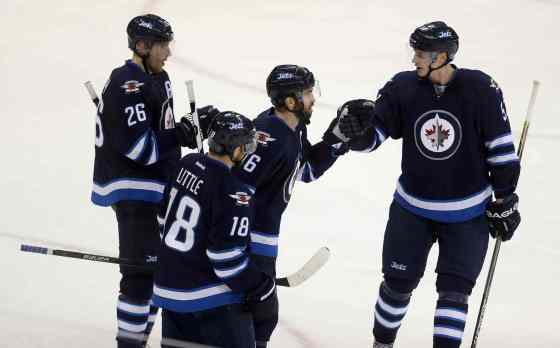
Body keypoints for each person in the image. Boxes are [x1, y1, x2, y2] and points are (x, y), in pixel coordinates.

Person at [331, 22, 521, 348]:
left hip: (467, 214)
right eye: (414, 51)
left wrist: (505, 198)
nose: (414, 58)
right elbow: (373, 137)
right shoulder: (402, 87)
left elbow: (501, 151)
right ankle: (382, 344)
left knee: (454, 292)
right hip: (412, 210)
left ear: (442, 56)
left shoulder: (481, 90)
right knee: (396, 284)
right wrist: (354, 133)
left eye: (421, 53)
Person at [90, 14, 204, 348]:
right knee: (140, 276)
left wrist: (184, 129)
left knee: (155, 273)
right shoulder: (129, 83)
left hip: (155, 186)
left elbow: (161, 132)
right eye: (162, 45)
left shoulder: (159, 78)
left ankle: (136, 340)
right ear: (142, 46)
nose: (168, 52)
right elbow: (141, 148)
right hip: (134, 189)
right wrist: (178, 135)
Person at [223, 64, 348, 347]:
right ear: (290, 101)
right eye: (306, 93)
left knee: (262, 317)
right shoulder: (267, 137)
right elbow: (237, 189)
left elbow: (307, 171)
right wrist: (232, 247)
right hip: (247, 239)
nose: (313, 98)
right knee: (255, 317)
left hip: (263, 237)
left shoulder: (293, 129)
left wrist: (336, 140)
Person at [153, 111, 276, 348]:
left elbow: (162, 220)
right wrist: (262, 287)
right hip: (209, 301)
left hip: (168, 293)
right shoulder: (235, 192)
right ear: (236, 149)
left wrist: (185, 258)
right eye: (247, 145)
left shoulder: (185, 164)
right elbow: (226, 260)